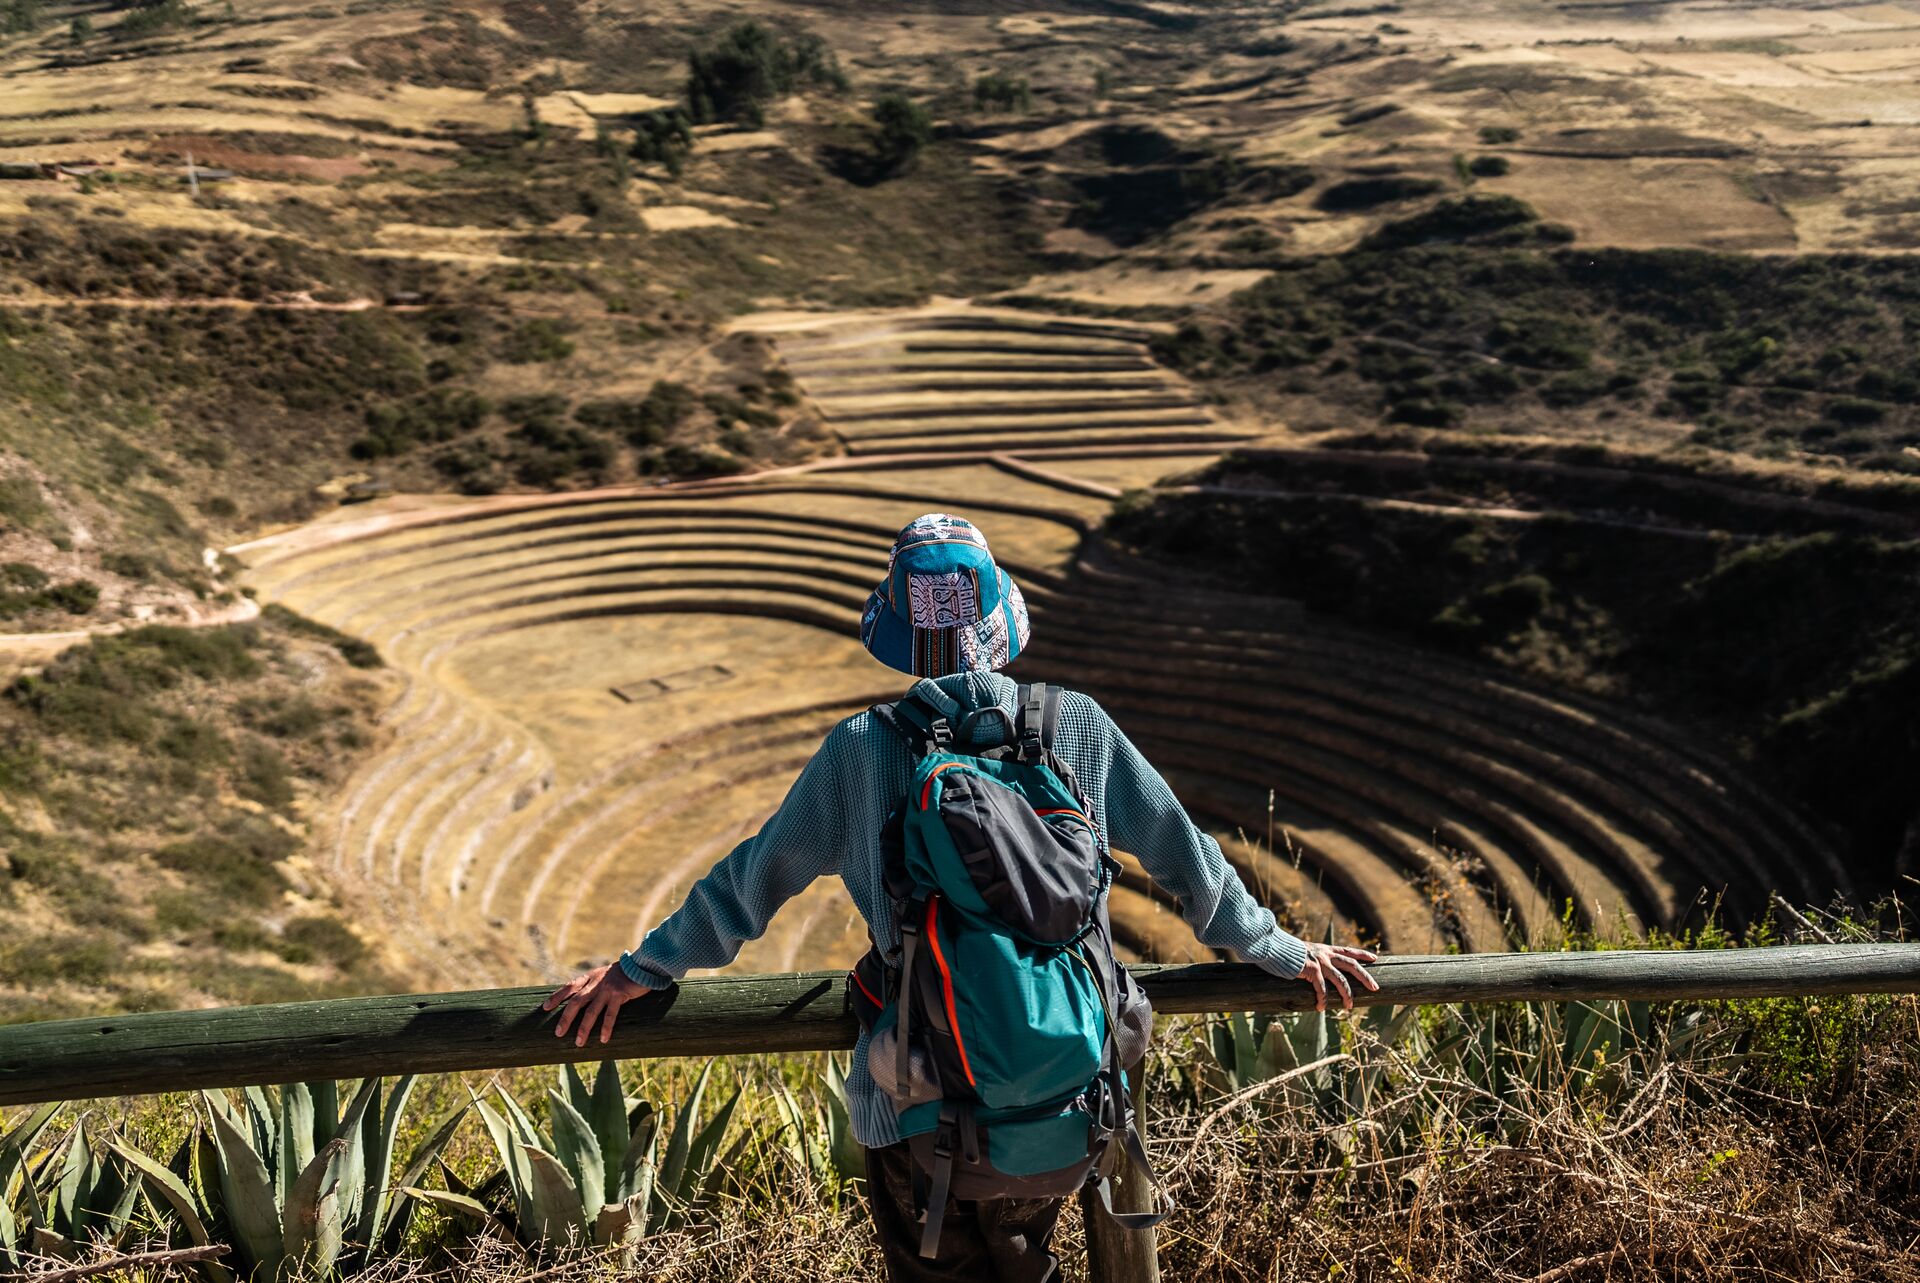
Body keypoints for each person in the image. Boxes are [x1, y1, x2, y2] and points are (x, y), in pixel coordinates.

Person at [545, 512, 1379, 1281]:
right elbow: (1186, 856)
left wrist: (640, 969)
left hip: (917, 1106)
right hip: (1067, 1094)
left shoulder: (864, 749)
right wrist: (1280, 948)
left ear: (901, 634)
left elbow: (748, 886)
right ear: (1000, 622)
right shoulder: (1076, 725)